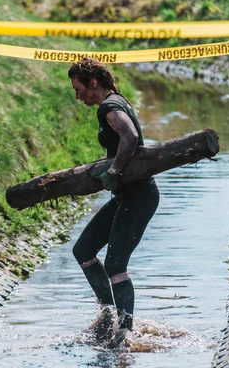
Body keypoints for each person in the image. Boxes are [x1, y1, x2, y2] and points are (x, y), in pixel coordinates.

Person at [68, 57, 160, 345]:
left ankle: (125, 332)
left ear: (93, 83)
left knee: (116, 264)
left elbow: (130, 137)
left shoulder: (109, 107)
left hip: (139, 196)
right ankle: (109, 314)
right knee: (83, 250)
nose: (77, 94)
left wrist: (114, 170)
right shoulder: (114, 102)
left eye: (78, 88)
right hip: (125, 196)